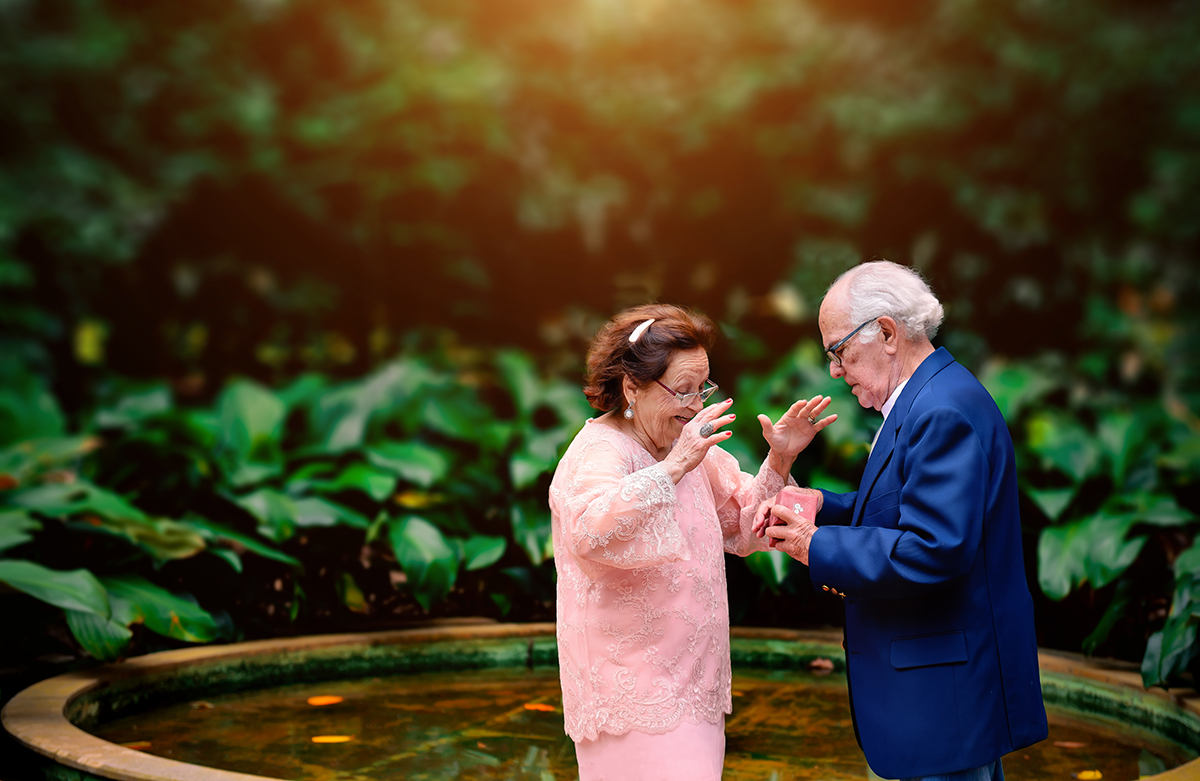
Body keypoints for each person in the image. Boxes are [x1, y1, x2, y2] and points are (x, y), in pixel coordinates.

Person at [754, 261, 1048, 781]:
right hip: (944, 696)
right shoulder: (932, 394)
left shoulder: (940, 410)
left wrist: (813, 545)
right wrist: (825, 504)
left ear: (887, 333)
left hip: (943, 703)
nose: (835, 371)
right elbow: (907, 506)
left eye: (838, 351)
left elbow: (933, 549)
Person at [549, 302, 835, 781]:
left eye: (702, 388)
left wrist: (780, 459)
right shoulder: (599, 449)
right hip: (630, 691)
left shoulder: (689, 446)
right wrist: (674, 467)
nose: (696, 405)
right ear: (632, 387)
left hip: (697, 681)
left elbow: (745, 526)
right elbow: (590, 532)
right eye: (682, 390)